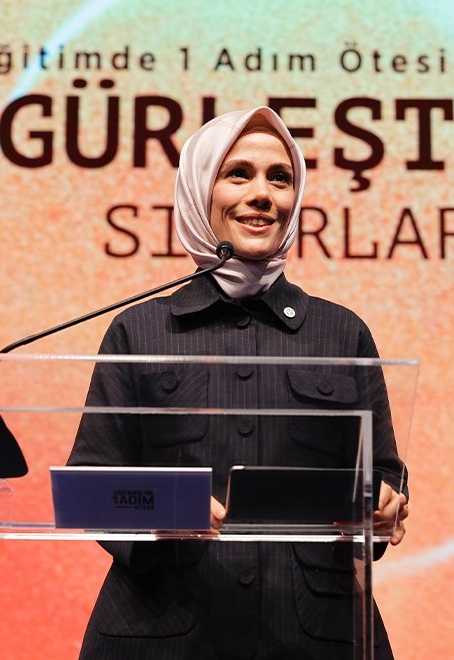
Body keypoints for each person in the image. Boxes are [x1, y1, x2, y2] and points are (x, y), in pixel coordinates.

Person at [68, 106, 409, 659]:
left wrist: (385, 504)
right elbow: (90, 485)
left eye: (280, 178)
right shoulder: (140, 330)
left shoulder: (342, 332)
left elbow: (382, 474)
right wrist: (163, 507)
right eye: (238, 174)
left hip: (317, 635)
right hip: (159, 634)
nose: (262, 195)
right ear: (200, 191)